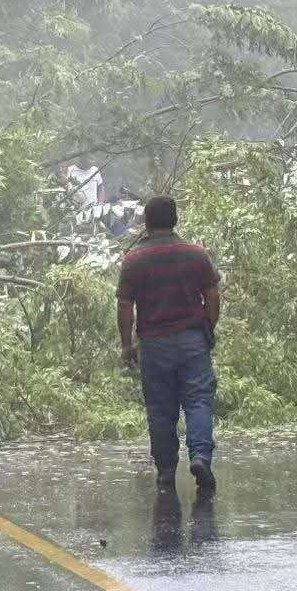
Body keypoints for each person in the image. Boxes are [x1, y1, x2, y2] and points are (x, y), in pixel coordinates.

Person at [117, 196, 221, 493]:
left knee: (160, 408)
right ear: (175, 220)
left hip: (154, 345)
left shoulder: (134, 260)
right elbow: (212, 295)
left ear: (147, 222)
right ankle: (200, 457)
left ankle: (165, 470)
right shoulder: (195, 254)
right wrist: (208, 327)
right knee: (199, 401)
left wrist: (127, 345)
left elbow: (125, 305)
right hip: (192, 341)